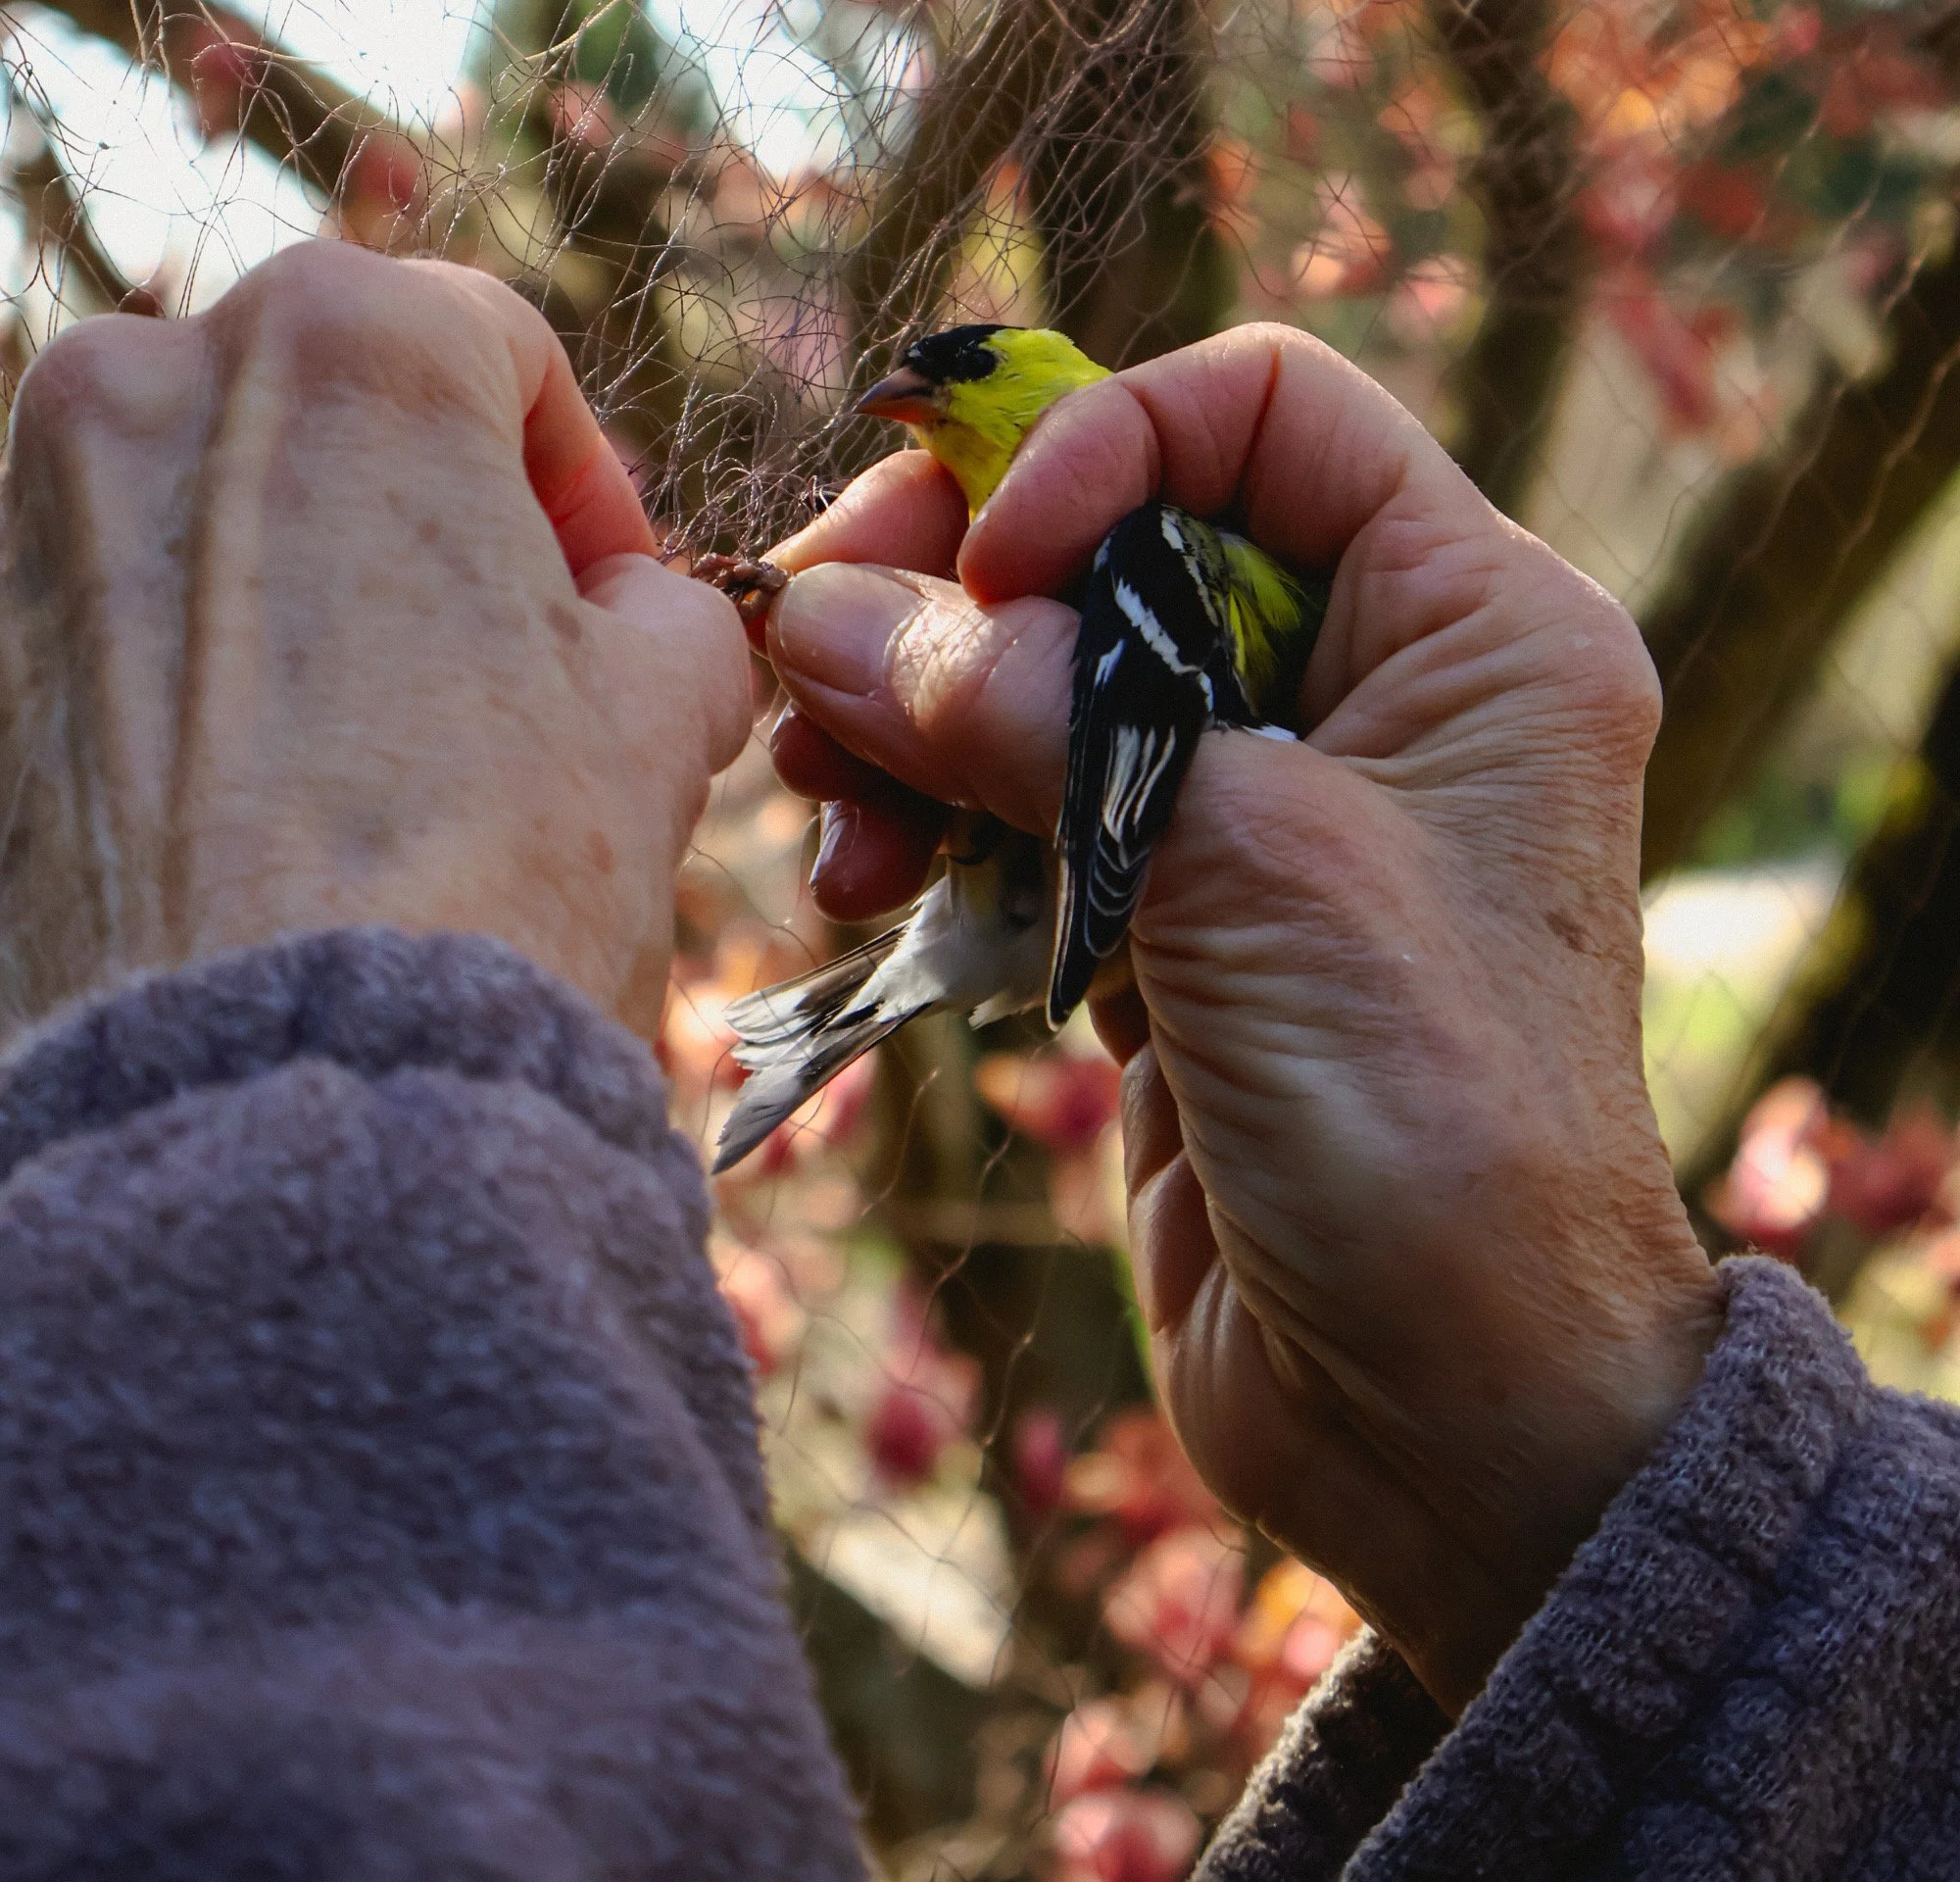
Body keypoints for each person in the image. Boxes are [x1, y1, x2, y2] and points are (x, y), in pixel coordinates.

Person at [0, 239, 1952, 1880]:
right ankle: (854, 1000)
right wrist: (1567, 1465)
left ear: (1048, 379)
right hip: (1070, 911)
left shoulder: (1159, 552)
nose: (924, 399)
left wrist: (267, 1132)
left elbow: (1156, 737)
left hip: (1076, 874)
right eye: (917, 380)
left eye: (964, 371)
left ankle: (857, 996)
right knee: (903, 932)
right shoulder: (1094, 540)